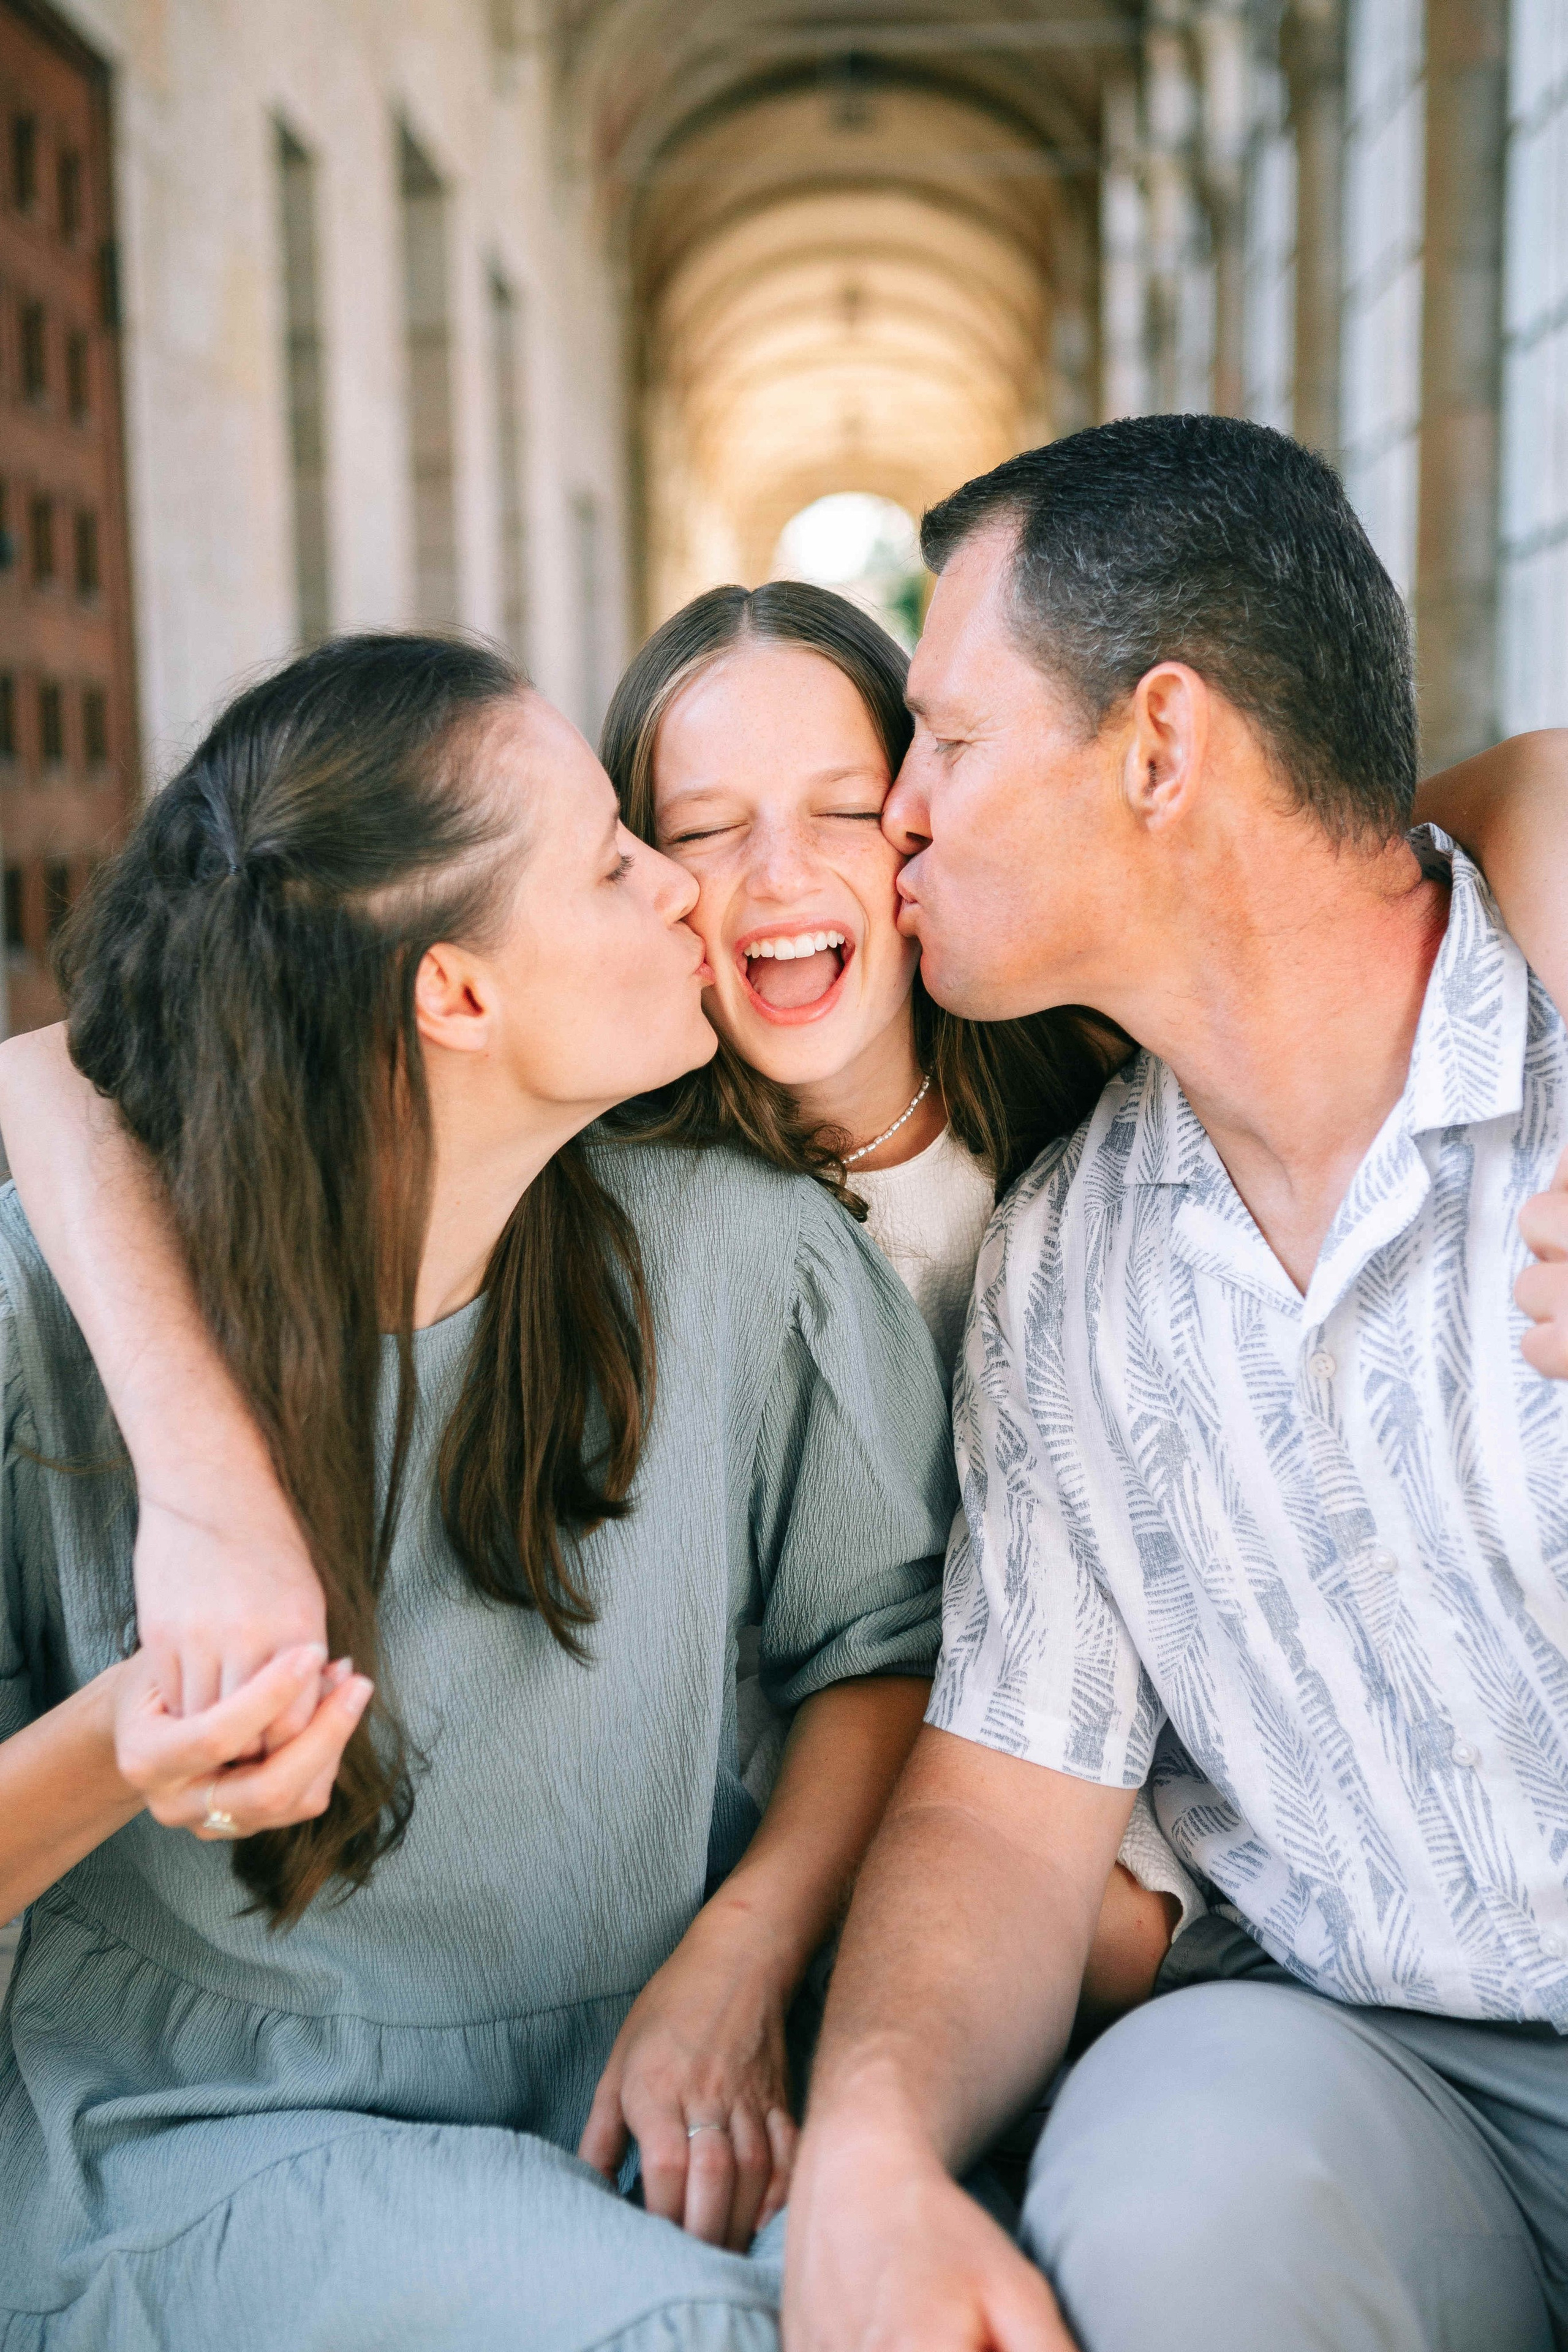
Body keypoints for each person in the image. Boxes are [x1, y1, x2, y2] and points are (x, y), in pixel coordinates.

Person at [0, 634, 962, 2352]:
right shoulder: (44, 1324)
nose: (685, 894)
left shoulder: (744, 1258)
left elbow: (880, 1647)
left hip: (639, 2107)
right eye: (615, 859)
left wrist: (738, 1957)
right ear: (456, 994)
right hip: (209, 2133)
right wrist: (133, 1742)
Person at [784, 415, 1568, 2352]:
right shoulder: (1066, 1267)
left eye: (948, 742)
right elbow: (997, 1822)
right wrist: (865, 2151)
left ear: (1160, 745)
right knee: (1166, 2185)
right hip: (1404, 2090)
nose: (899, 815)